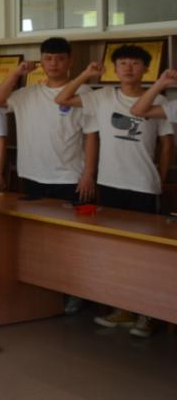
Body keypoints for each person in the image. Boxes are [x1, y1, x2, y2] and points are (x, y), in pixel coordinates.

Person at [55, 46, 172, 338]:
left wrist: (159, 178)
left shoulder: (159, 101)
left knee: (146, 254)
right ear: (114, 69)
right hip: (109, 183)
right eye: (122, 63)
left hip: (143, 185)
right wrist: (86, 74)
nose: (128, 68)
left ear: (147, 69)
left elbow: (167, 146)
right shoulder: (102, 97)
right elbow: (62, 98)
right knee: (116, 251)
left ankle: (149, 314)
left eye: (135, 63)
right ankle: (124, 308)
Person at [0, 38, 97, 202]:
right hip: (31, 175)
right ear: (41, 62)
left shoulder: (84, 92)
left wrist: (88, 174)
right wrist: (16, 73)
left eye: (60, 58)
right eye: (48, 58)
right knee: (32, 219)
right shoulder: (27, 93)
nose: (53, 63)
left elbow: (91, 136)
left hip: (69, 178)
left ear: (70, 62)